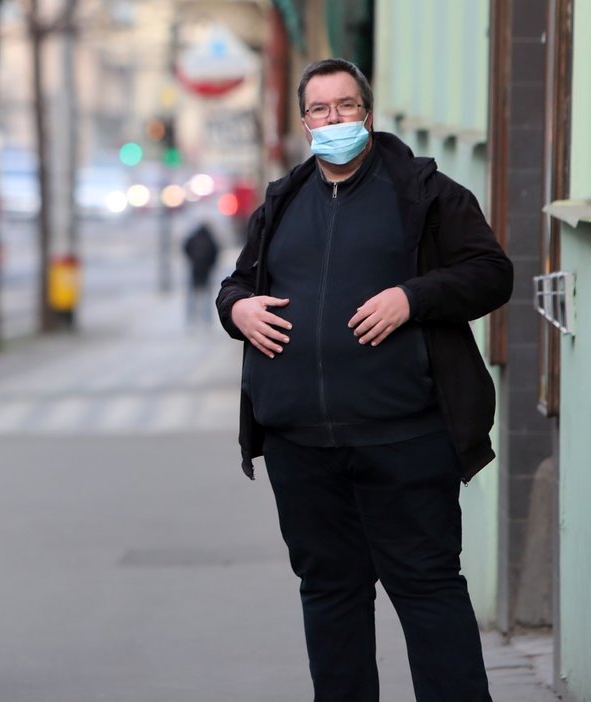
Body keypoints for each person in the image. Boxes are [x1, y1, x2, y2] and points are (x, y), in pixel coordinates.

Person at [216, 58, 512, 701]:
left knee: (429, 592)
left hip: (404, 438)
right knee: (329, 596)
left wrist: (414, 297)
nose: (333, 119)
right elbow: (237, 283)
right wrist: (236, 309)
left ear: (367, 115)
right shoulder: (282, 201)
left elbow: (491, 272)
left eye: (345, 106)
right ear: (305, 123)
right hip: (301, 446)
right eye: (320, 110)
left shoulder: (425, 193)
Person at [182, 220, 220, 324]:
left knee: (192, 297)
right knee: (207, 297)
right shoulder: (210, 238)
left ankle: (191, 318)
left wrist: (192, 260)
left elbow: (185, 248)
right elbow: (216, 252)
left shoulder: (193, 237)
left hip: (195, 270)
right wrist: (211, 265)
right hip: (206, 271)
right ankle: (207, 319)